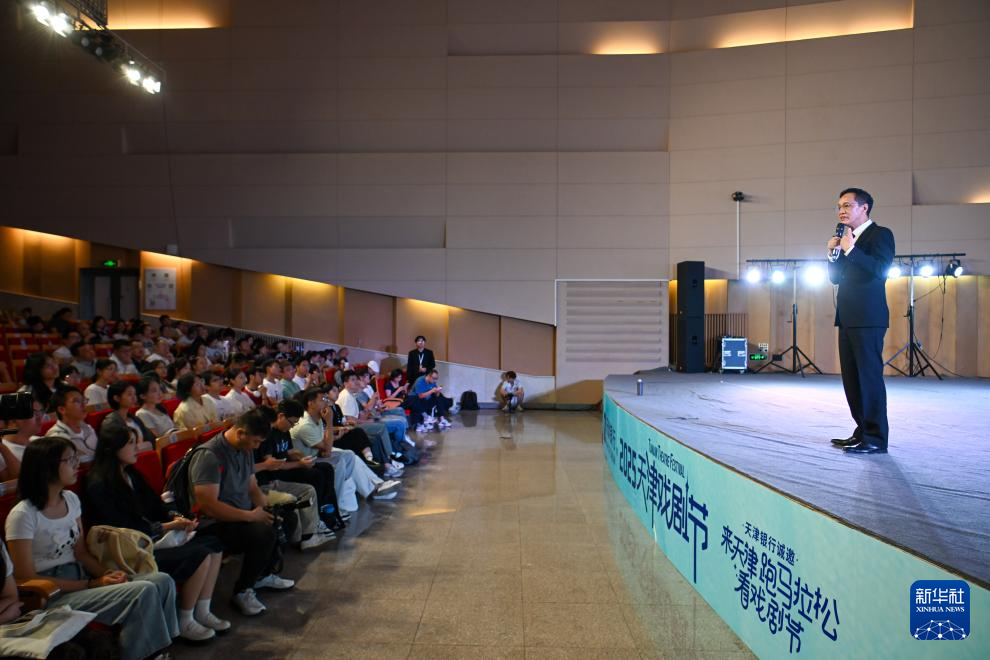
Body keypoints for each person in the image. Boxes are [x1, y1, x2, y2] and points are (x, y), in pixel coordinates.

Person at [5, 436, 178, 660]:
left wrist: (107, 574)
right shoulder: (23, 515)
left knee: (163, 581)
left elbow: (80, 553)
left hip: (81, 577)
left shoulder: (70, 499)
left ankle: (158, 650)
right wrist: (91, 584)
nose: (77, 464)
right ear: (47, 467)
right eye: (69, 460)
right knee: (142, 591)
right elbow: (26, 576)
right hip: (51, 594)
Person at [84, 423, 229, 641]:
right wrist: (168, 526)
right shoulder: (98, 484)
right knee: (200, 555)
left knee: (214, 544)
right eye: (130, 443)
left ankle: (202, 610)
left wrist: (174, 517)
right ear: (112, 448)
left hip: (151, 538)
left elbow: (156, 505)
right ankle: (185, 619)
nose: (137, 448)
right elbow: (121, 527)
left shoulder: (131, 473)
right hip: (128, 551)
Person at [189, 409, 293, 616]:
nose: (257, 447)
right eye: (255, 442)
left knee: (284, 517)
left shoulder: (244, 449)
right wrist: (251, 516)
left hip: (240, 514)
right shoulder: (210, 456)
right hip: (214, 523)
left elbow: (252, 486)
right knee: (262, 533)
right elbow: (208, 505)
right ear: (240, 433)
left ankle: (263, 575)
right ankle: (242, 591)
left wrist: (265, 508)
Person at [826, 187, 895, 455]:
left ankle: (876, 438)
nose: (841, 210)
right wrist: (832, 254)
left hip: (868, 318)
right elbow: (835, 278)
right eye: (839, 206)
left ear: (864, 208)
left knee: (869, 378)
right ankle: (862, 431)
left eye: (847, 205)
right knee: (852, 381)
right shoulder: (845, 239)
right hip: (847, 317)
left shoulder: (881, 234)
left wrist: (851, 250)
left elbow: (880, 270)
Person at [290, 388, 401, 512]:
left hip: (317, 453)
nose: (326, 402)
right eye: (322, 399)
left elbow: (324, 442)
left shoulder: (316, 417)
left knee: (349, 454)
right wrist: (329, 421)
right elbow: (327, 452)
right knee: (342, 460)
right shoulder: (306, 424)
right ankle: (347, 500)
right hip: (308, 460)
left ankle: (376, 486)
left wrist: (333, 432)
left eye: (326, 398)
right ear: (310, 403)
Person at [45, 387, 99, 460]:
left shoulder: (88, 427)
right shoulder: (57, 437)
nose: (84, 405)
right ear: (62, 409)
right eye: (77, 401)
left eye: (84, 400)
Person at [101, 380, 155, 451]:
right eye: (129, 394)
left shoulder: (135, 419)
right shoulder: (110, 423)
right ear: (117, 398)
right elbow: (118, 450)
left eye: (134, 394)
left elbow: (152, 440)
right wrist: (144, 446)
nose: (134, 397)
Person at [0, 397, 46, 478]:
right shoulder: (2, 453)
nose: (40, 418)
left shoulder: (42, 441)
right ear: (13, 420)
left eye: (40, 412)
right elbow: (20, 481)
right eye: (33, 413)